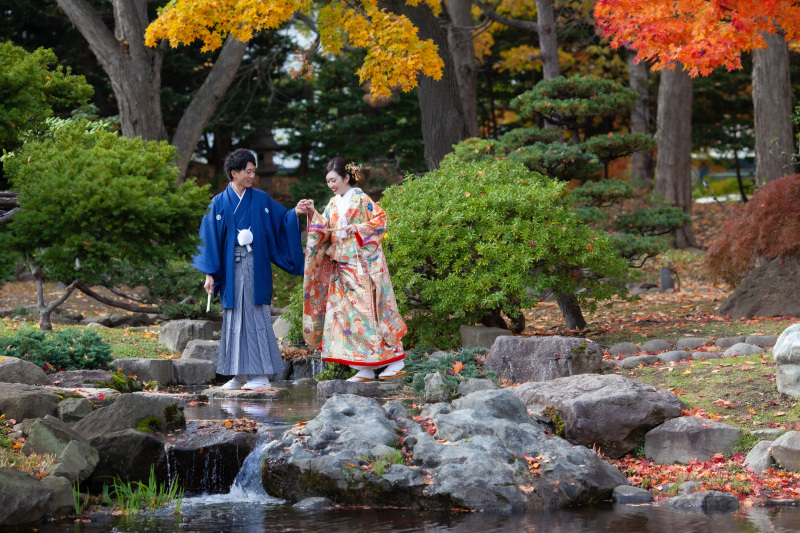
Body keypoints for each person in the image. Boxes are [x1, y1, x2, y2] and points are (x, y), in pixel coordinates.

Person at [192, 149, 314, 390]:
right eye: (248, 172)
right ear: (234, 173)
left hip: (255, 265)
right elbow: (209, 239)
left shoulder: (260, 198)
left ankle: (260, 376)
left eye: (253, 171)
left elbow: (282, 220)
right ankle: (238, 375)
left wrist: (295, 213)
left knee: (257, 314)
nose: (252, 176)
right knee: (233, 317)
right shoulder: (218, 202)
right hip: (229, 268)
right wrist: (209, 274)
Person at [302, 157, 407, 382]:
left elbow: (381, 220)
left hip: (361, 265)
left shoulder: (361, 198)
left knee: (370, 314)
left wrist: (358, 228)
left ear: (346, 177)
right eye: (328, 181)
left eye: (334, 180)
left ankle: (396, 358)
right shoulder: (332, 203)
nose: (331, 185)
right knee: (347, 318)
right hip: (341, 266)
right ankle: (365, 366)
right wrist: (312, 213)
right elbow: (324, 229)